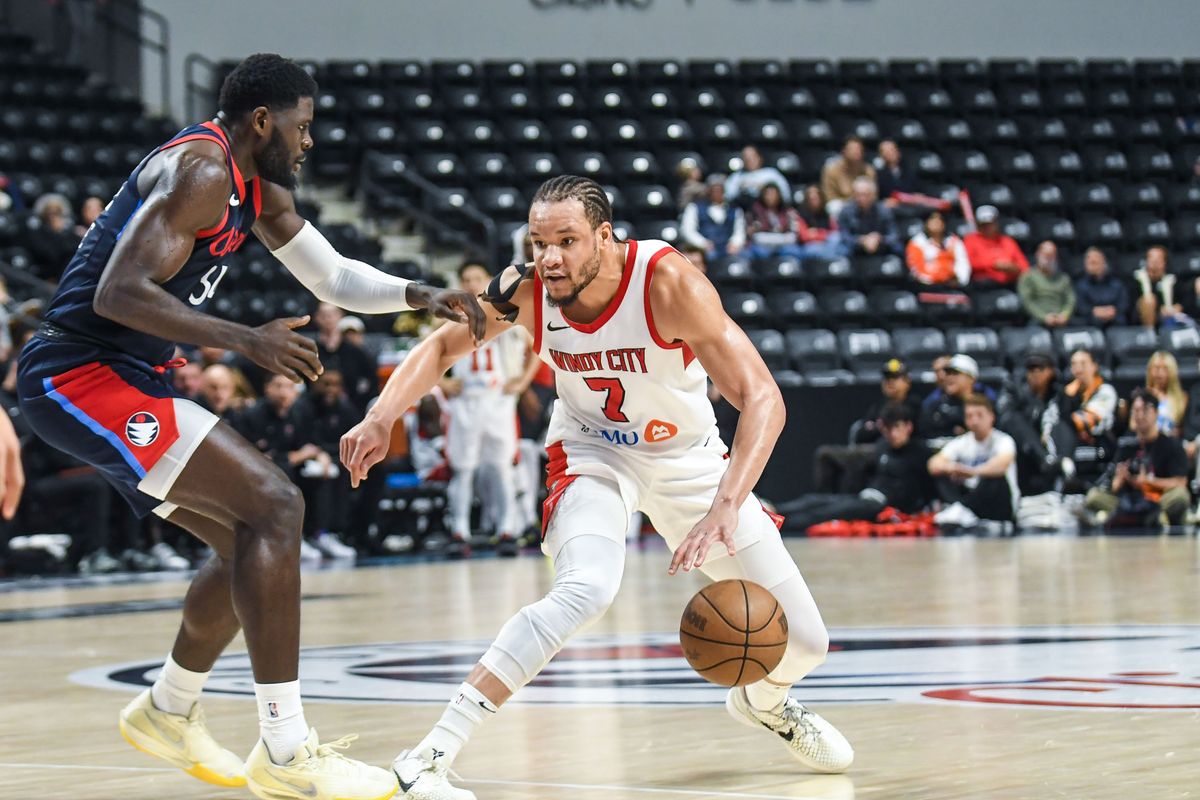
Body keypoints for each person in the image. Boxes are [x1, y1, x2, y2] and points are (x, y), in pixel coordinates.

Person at [15, 53, 485, 799]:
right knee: (277, 505)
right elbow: (116, 293)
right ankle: (286, 751)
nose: (308, 143)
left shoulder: (255, 188)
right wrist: (246, 339)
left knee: (247, 545)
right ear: (262, 121)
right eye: (302, 127)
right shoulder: (202, 171)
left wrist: (420, 292)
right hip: (77, 374)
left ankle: (169, 709)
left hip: (126, 376)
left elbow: (329, 275)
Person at [341, 175, 854, 798]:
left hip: (688, 460)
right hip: (591, 452)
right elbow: (442, 345)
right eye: (538, 242)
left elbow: (763, 398)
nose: (549, 257)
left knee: (805, 642)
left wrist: (725, 506)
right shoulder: (525, 290)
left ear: (604, 239)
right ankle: (429, 755)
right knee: (587, 588)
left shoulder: (668, 283)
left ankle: (765, 703)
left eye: (566, 241)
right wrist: (380, 415)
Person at [441, 262, 539, 559]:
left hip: (498, 398)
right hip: (466, 399)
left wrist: (522, 382)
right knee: (463, 469)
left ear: (487, 281)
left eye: (477, 278)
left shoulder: (506, 311)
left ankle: (507, 530)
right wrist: (442, 383)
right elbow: (426, 354)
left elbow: (537, 346)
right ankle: (460, 532)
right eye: (466, 278)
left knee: (501, 467)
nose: (471, 284)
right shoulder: (447, 317)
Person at [778, 402, 934, 532]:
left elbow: (928, 487)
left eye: (897, 427)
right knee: (815, 500)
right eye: (888, 428)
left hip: (883, 506)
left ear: (908, 427)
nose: (893, 433)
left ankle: (778, 524)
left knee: (826, 513)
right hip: (864, 496)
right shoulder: (882, 447)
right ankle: (774, 509)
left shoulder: (921, 452)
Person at [813, 358, 922, 494]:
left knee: (858, 458)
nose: (890, 382)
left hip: (892, 452)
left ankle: (849, 502)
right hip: (870, 448)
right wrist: (876, 429)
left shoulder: (913, 404)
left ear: (907, 381)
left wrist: (876, 428)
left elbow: (912, 434)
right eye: (887, 378)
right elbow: (861, 433)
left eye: (895, 378)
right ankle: (824, 499)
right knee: (825, 454)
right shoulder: (880, 405)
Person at [1084, 388, 1189, 529]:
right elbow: (1112, 486)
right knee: (1093, 496)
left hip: (1157, 498)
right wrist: (1119, 481)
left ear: (1156, 413)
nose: (1139, 415)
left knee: (1180, 497)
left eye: (1145, 410)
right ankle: (1151, 518)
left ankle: (1144, 516)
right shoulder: (1126, 444)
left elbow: (1180, 482)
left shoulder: (1171, 444)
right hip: (1129, 501)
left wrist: (1149, 483)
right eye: (1135, 411)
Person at [928, 394, 1019, 527]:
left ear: (991, 417)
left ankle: (962, 510)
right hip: (970, 495)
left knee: (993, 477)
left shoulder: (1003, 440)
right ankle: (959, 509)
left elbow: (1002, 465)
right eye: (970, 416)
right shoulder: (962, 442)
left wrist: (973, 472)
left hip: (999, 502)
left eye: (979, 415)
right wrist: (953, 468)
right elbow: (933, 464)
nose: (975, 421)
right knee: (941, 474)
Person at [1041, 348, 1118, 475]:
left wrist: (1065, 410)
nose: (1078, 368)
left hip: (1098, 445)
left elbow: (1086, 421)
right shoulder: (1065, 393)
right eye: (1074, 364)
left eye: (1083, 363)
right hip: (1069, 444)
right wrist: (1048, 430)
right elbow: (1048, 421)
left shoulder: (1105, 390)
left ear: (1094, 366)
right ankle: (1064, 466)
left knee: (1062, 424)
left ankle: (1065, 467)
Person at [995, 351, 1061, 496]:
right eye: (1031, 369)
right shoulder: (1014, 390)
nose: (1035, 373)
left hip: (1052, 441)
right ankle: (1045, 459)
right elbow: (1006, 418)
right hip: (1023, 447)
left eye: (1040, 368)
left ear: (1050, 371)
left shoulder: (1059, 393)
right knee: (1015, 419)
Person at [314, 301, 376, 414]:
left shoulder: (355, 351)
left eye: (332, 314)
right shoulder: (312, 349)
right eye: (323, 314)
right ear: (317, 318)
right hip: (317, 411)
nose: (328, 318)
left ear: (341, 316)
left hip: (353, 411)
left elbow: (371, 381)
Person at [919, 354, 992, 448]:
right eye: (948, 373)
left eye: (955, 373)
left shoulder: (985, 403)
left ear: (971, 378)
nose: (949, 378)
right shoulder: (935, 405)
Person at [680, 174, 746, 258]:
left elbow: (739, 230)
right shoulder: (695, 207)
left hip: (728, 247)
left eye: (719, 190)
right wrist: (703, 244)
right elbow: (687, 231)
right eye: (713, 190)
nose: (716, 193)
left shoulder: (734, 209)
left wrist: (735, 243)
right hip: (704, 248)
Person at [834, 177, 901, 257]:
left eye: (865, 194)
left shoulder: (884, 211)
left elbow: (894, 235)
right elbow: (844, 236)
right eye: (858, 194)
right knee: (840, 249)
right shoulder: (846, 211)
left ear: (873, 195)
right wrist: (861, 240)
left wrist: (879, 239)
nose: (862, 198)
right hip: (856, 248)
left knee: (898, 248)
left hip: (880, 247)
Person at [963, 205, 1028, 286]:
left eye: (990, 224)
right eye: (983, 224)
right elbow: (969, 263)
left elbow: (1024, 265)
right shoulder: (971, 240)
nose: (987, 227)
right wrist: (993, 264)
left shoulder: (1007, 241)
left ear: (996, 223)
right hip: (983, 286)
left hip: (1010, 283)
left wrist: (1013, 268)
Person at [1017, 240, 1074, 327]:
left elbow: (1070, 299)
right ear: (1037, 254)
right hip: (1037, 321)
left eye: (1051, 255)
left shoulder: (1063, 278)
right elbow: (1027, 302)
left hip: (1061, 319)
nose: (1048, 258)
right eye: (1045, 254)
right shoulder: (1027, 277)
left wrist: (1065, 314)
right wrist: (1044, 317)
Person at [1134, 246, 1193, 328]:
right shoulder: (1137, 279)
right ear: (1146, 261)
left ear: (1165, 262)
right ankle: (1150, 336)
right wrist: (1158, 310)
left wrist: (1178, 307)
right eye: (1151, 258)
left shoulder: (1173, 279)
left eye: (1158, 258)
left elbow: (1186, 297)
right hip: (1142, 319)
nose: (1154, 262)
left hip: (1171, 316)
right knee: (1149, 301)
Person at [905, 210, 970, 286]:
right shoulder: (917, 242)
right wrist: (935, 279)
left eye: (940, 219)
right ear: (926, 223)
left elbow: (962, 262)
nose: (937, 222)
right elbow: (916, 270)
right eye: (932, 219)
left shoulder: (954, 241)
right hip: (927, 287)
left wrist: (960, 280)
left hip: (952, 285)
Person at [745, 184, 807, 260]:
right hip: (762, 245)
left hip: (784, 244)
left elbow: (794, 234)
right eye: (767, 194)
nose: (770, 197)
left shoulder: (788, 211)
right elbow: (753, 235)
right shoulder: (755, 211)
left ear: (779, 195)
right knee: (757, 252)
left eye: (773, 194)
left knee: (793, 251)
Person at [821, 136, 875, 219]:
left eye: (858, 149)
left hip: (864, 204)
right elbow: (830, 196)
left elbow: (873, 194)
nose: (856, 152)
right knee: (833, 207)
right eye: (852, 149)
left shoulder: (868, 170)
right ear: (844, 151)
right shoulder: (831, 170)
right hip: (842, 205)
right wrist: (851, 204)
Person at [1073, 247, 1129, 327]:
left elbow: (1123, 303)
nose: (1092, 266)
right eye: (1089, 263)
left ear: (1104, 263)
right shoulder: (1080, 285)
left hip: (1114, 319)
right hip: (1090, 321)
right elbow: (1080, 306)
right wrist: (1094, 311)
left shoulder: (1116, 284)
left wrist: (1113, 311)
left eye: (1095, 262)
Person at [725, 145, 790, 207]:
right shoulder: (736, 177)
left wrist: (764, 189)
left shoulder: (772, 174)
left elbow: (786, 196)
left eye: (752, 156)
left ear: (760, 158)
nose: (749, 160)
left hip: (767, 212)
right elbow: (728, 197)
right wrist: (740, 188)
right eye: (746, 157)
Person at [1144, 351, 1187, 436]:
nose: (1159, 373)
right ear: (1149, 370)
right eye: (1156, 368)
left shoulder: (1182, 398)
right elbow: (1133, 425)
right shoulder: (1142, 397)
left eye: (1165, 368)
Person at [873, 139, 915, 206]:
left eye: (891, 150)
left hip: (908, 207)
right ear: (881, 155)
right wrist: (884, 202)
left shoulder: (909, 171)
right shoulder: (877, 174)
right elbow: (876, 198)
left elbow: (915, 192)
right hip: (889, 210)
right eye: (885, 151)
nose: (889, 153)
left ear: (898, 152)